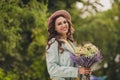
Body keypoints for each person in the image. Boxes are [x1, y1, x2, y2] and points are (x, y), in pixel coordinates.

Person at [45, 10, 91, 80]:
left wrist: (84, 71)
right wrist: (77, 71)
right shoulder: (53, 43)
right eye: (59, 24)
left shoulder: (71, 43)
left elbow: (73, 66)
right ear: (55, 28)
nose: (63, 25)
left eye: (65, 22)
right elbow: (52, 69)